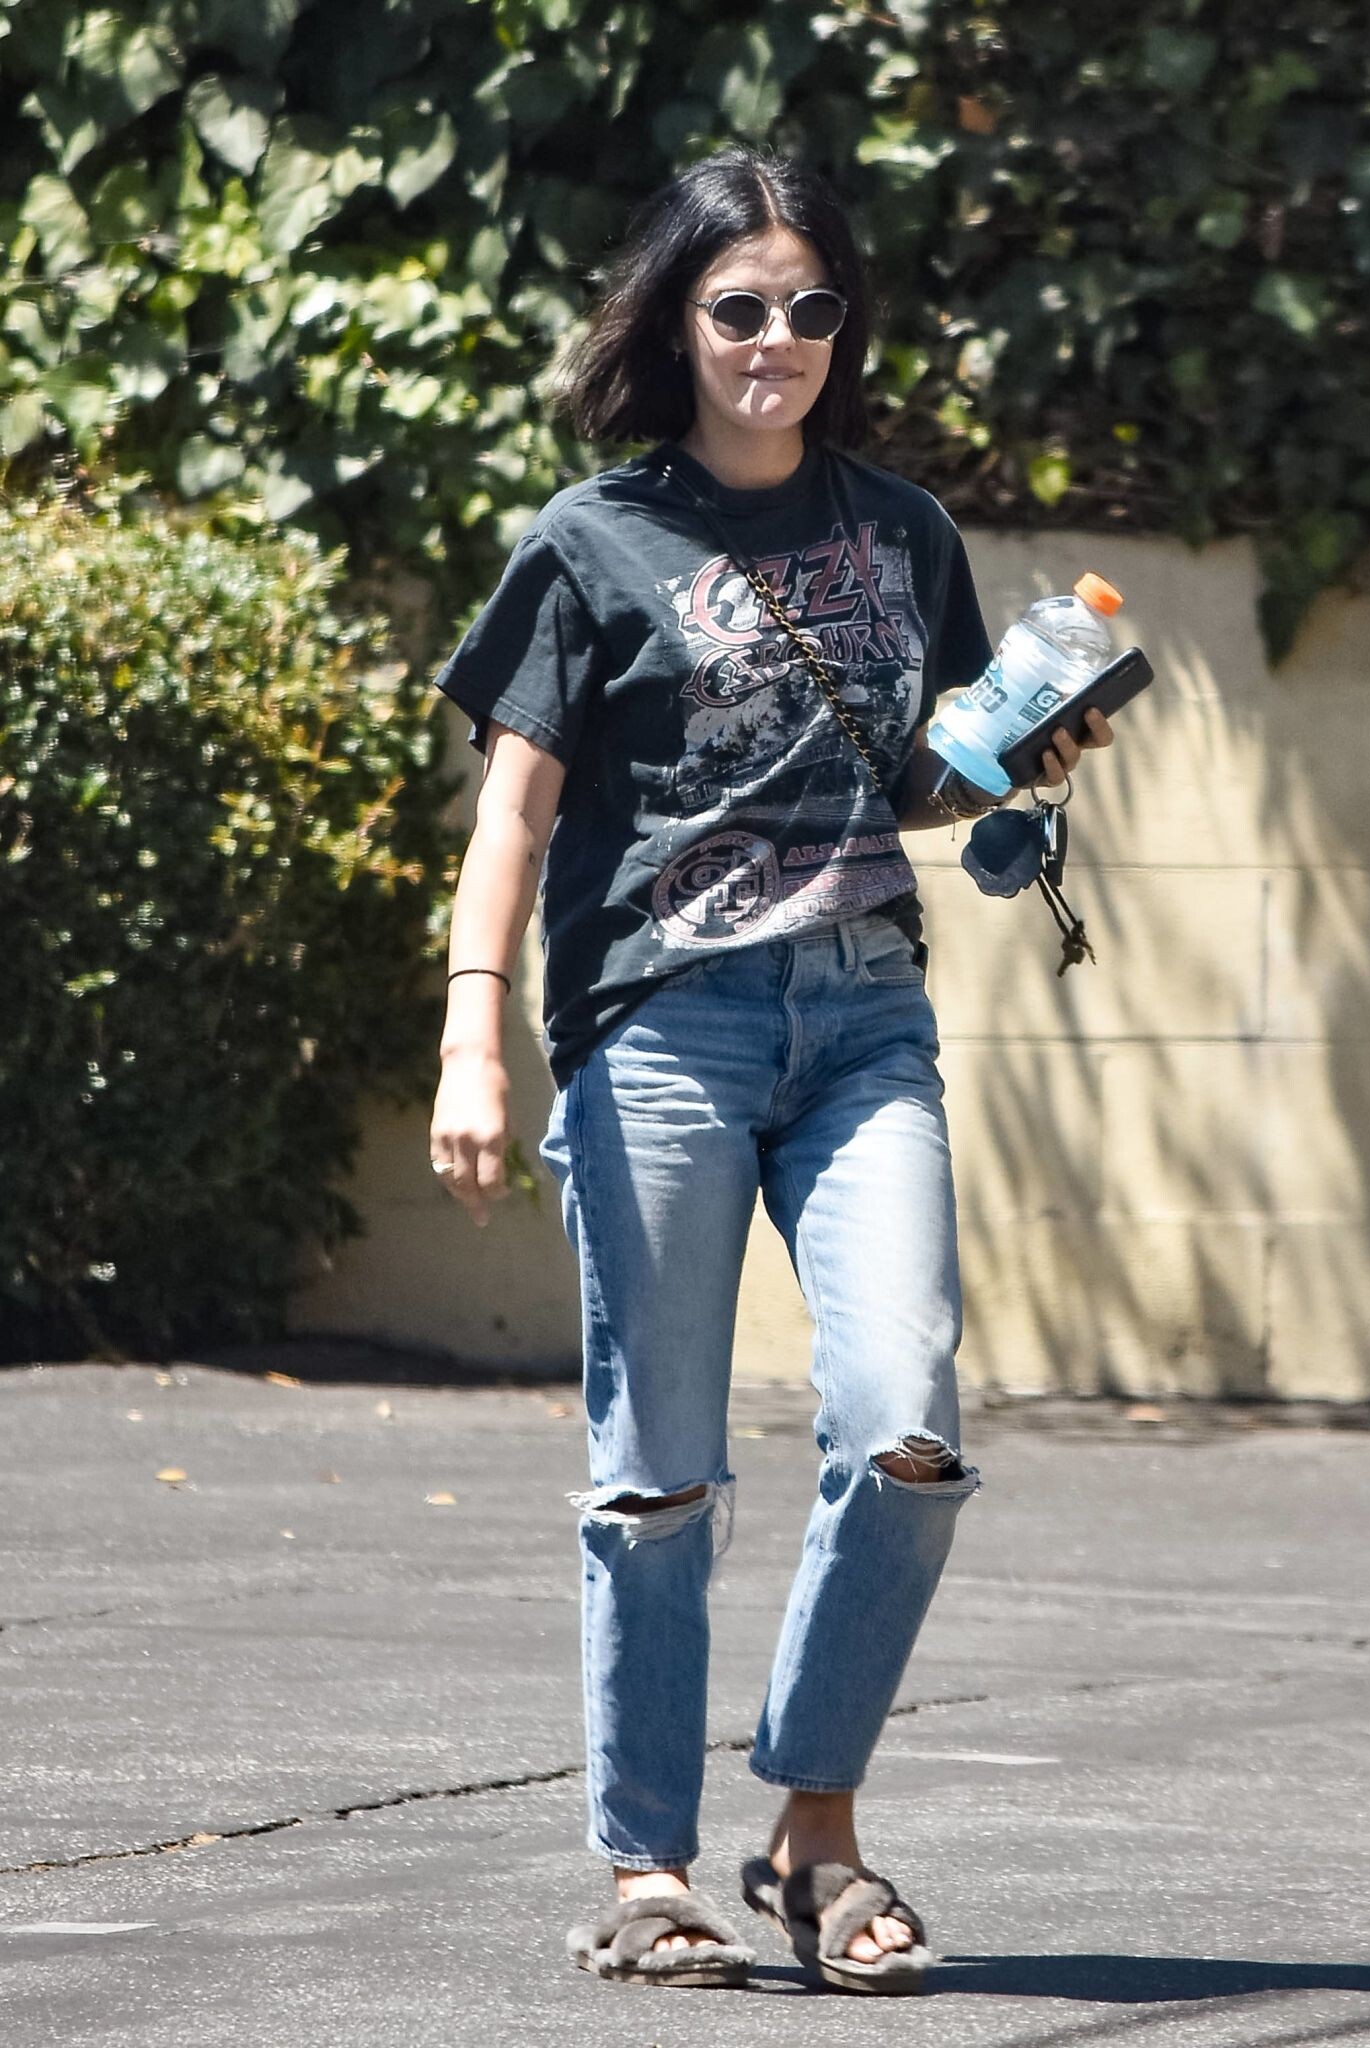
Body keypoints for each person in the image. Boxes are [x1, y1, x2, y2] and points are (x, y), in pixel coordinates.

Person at [429, 145, 1113, 1994]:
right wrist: (474, 1034)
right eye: (740, 307)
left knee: (908, 1429)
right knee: (657, 1469)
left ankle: (812, 1829)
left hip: (866, 1011)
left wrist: (1018, 762)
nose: (778, 339)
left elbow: (914, 781)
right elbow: (514, 816)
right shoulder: (591, 540)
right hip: (663, 1022)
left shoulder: (904, 531)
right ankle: (649, 1870)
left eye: (814, 308)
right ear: (677, 321)